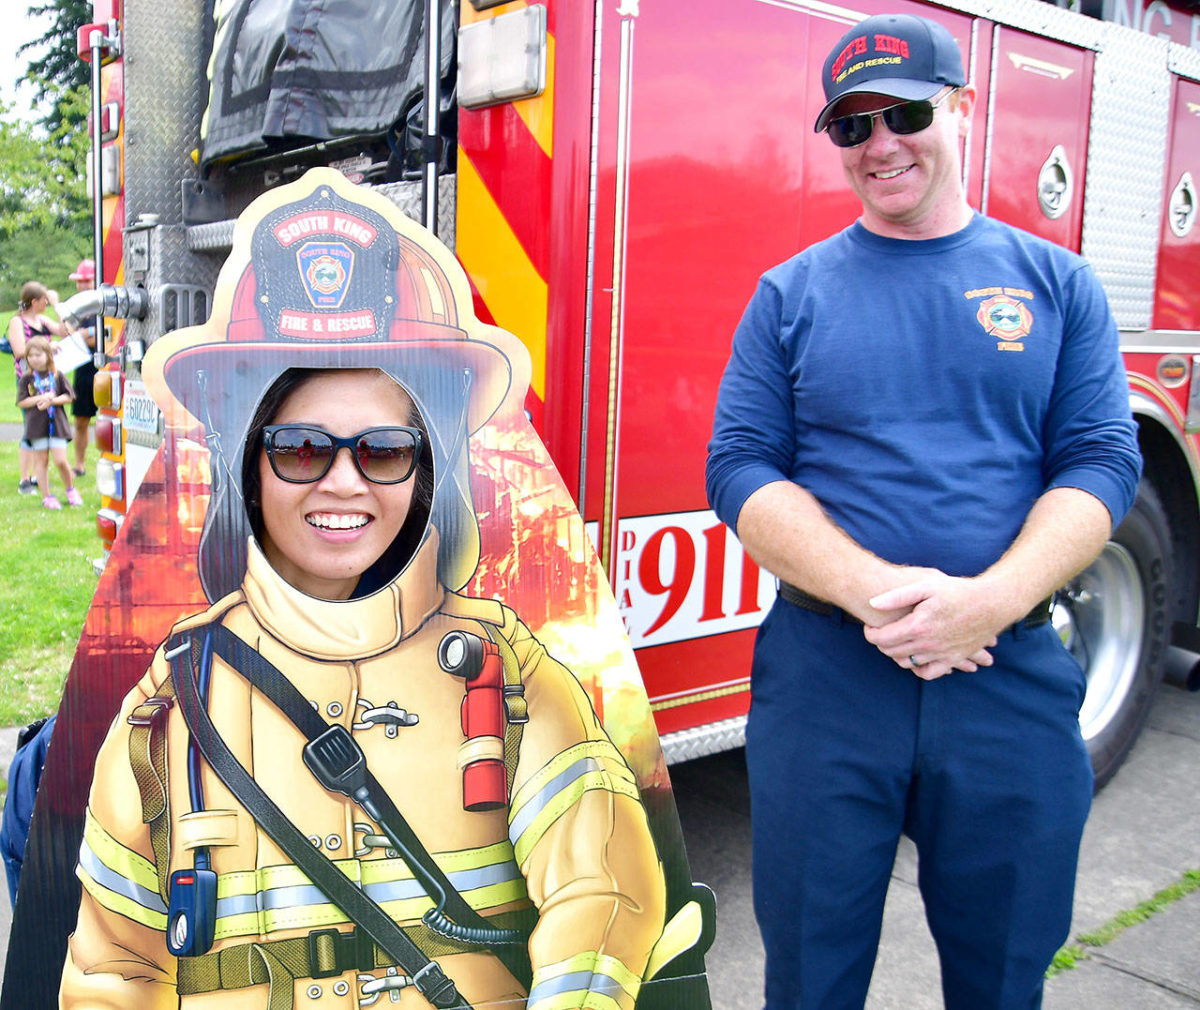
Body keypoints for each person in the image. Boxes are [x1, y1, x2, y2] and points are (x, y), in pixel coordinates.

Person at [59, 174, 695, 1010]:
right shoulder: (169, 707)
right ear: (243, 466)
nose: (343, 484)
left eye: (387, 449)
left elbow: (605, 893)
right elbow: (112, 975)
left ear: (432, 470)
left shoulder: (510, 675)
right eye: (298, 447)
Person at [706, 13, 1142, 1010]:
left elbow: (1101, 461)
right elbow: (739, 465)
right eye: (852, 127)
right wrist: (877, 594)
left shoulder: (1056, 285)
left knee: (1003, 978)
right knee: (809, 978)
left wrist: (989, 600)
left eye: (905, 112)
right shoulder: (791, 293)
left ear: (962, 108)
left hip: (1008, 677)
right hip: (828, 684)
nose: (881, 144)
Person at [8, 281, 67, 494]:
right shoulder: (17, 321)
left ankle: (36, 475)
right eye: (44, 301)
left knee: (43, 428)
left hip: (47, 380)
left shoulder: (41, 320)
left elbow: (64, 331)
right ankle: (25, 480)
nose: (46, 304)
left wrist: (57, 305)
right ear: (34, 301)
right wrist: (45, 347)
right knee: (31, 428)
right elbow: (18, 350)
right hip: (29, 381)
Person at [17, 336, 82, 510]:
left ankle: (71, 490)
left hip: (57, 425)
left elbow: (69, 396)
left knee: (61, 460)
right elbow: (22, 402)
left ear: (48, 355)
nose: (34, 359)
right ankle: (47, 497)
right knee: (41, 461)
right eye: (30, 356)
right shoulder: (26, 379)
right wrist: (40, 397)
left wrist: (52, 400)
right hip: (37, 427)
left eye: (38, 355)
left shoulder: (57, 375)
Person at [66, 260, 99, 477]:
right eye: (80, 282)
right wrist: (83, 335)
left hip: (105, 366)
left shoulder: (103, 303)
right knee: (81, 421)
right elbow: (65, 330)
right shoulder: (76, 307)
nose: (83, 285)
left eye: (87, 281)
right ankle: (79, 465)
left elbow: (99, 340)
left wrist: (80, 335)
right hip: (83, 369)